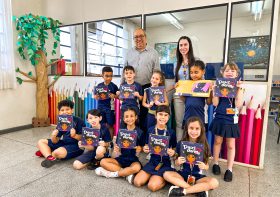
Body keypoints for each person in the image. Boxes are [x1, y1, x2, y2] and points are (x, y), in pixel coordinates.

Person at [165, 117, 219, 197]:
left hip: (197, 177)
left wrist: (204, 166)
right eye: (191, 128)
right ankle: (197, 190)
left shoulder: (205, 146)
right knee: (166, 174)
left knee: (215, 182)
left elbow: (207, 166)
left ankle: (184, 190)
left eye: (197, 129)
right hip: (182, 175)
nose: (194, 131)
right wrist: (178, 161)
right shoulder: (181, 143)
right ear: (187, 129)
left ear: (201, 130)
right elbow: (176, 163)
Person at [211, 62, 244, 182]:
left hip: (231, 119)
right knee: (217, 141)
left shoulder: (239, 86)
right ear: (222, 73)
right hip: (219, 116)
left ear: (236, 74)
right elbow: (215, 103)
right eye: (227, 70)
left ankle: (229, 169)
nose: (230, 72)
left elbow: (238, 105)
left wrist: (239, 89)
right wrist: (214, 89)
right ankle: (215, 163)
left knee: (230, 145)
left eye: (233, 71)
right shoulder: (219, 85)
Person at [95, 107, 145, 184]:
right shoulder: (121, 132)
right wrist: (116, 148)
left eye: (132, 116)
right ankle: (126, 174)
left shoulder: (140, 132)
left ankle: (112, 174)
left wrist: (140, 148)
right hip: (121, 159)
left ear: (136, 117)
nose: (129, 119)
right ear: (124, 119)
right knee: (102, 162)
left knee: (137, 168)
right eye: (126, 117)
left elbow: (143, 148)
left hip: (133, 160)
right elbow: (118, 147)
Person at [133, 105, 177, 192]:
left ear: (168, 117)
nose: (163, 117)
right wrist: (145, 149)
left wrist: (173, 152)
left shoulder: (171, 132)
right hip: (152, 161)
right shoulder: (150, 130)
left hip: (164, 162)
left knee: (152, 186)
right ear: (156, 116)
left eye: (165, 115)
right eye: (160, 114)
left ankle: (165, 179)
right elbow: (146, 146)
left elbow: (175, 149)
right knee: (137, 182)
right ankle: (153, 176)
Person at [125, 28, 160, 131]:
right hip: (131, 87)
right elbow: (125, 70)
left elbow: (157, 71)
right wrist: (121, 88)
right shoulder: (129, 52)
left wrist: (158, 90)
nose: (138, 39)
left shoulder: (153, 52)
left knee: (146, 116)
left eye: (141, 36)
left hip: (147, 87)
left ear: (145, 37)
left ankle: (143, 141)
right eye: (136, 37)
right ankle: (133, 139)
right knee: (131, 115)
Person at [35, 99, 85, 168]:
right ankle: (50, 157)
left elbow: (83, 138)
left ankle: (48, 152)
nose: (65, 112)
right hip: (64, 143)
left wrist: (75, 135)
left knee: (57, 152)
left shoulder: (79, 121)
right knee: (40, 142)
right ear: (59, 112)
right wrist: (53, 135)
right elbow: (55, 141)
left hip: (77, 146)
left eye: (67, 109)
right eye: (62, 110)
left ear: (72, 110)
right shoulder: (61, 122)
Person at [173, 36, 196, 142]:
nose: (183, 47)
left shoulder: (196, 62)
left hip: (193, 97)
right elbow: (177, 81)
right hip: (179, 96)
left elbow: (201, 80)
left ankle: (191, 148)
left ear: (189, 46)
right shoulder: (176, 64)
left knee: (192, 124)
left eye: (185, 44)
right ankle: (179, 149)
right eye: (180, 45)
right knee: (179, 123)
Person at [182, 60, 212, 135]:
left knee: (200, 140)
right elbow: (184, 100)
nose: (193, 75)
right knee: (187, 138)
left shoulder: (205, 85)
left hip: (200, 117)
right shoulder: (188, 84)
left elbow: (209, 102)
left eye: (196, 72)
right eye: (191, 72)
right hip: (188, 116)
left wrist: (210, 91)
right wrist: (180, 91)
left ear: (203, 72)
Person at [94, 66, 118, 138]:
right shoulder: (99, 85)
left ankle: (110, 142)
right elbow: (95, 96)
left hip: (110, 109)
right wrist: (96, 97)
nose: (109, 78)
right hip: (100, 108)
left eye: (111, 76)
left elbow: (118, 96)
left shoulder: (114, 86)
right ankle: (102, 139)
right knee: (101, 124)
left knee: (110, 124)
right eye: (107, 76)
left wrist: (114, 96)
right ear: (102, 76)